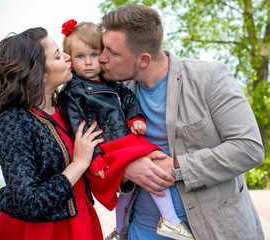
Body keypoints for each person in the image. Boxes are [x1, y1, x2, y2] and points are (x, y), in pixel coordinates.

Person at [98, 4, 265, 240]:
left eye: (112, 52)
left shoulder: (210, 78)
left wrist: (174, 167)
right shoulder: (114, 93)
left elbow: (249, 148)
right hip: (140, 230)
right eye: (103, 47)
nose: (102, 58)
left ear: (143, 60)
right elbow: (98, 154)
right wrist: (126, 169)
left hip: (212, 231)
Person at [57, 19, 194, 240]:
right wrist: (96, 157)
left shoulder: (110, 82)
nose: (89, 62)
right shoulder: (71, 93)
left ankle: (120, 229)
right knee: (153, 167)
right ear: (70, 59)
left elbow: (128, 98)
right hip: (107, 147)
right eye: (80, 56)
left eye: (94, 54)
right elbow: (78, 129)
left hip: (125, 139)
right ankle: (170, 220)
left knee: (130, 191)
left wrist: (135, 118)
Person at [0, 27, 104, 240]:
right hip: (38, 232)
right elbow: (30, 202)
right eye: (57, 56)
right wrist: (78, 164)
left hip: (80, 221)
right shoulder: (15, 121)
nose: (67, 57)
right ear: (38, 72)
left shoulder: (66, 108)